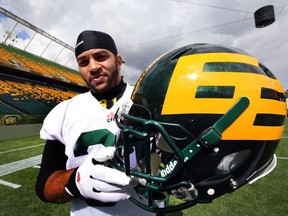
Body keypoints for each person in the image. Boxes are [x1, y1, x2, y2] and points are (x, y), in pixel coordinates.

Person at [36, 30, 154, 216]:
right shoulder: (63, 111)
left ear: (118, 60)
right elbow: (44, 185)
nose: (93, 67)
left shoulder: (149, 101)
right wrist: (75, 181)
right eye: (84, 61)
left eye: (101, 57)